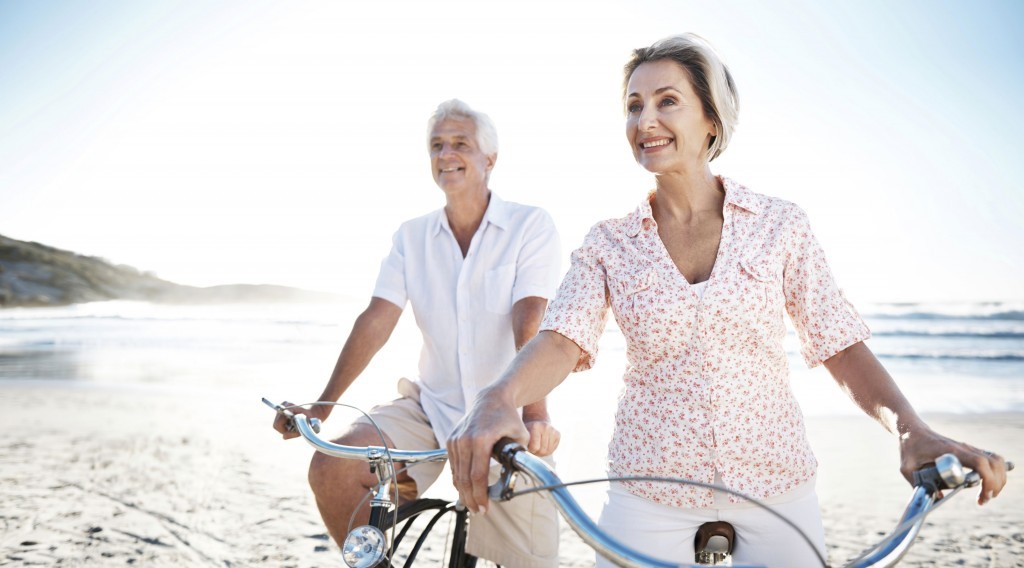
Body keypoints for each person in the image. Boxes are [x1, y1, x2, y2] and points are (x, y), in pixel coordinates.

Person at [446, 34, 1009, 567]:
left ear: (711, 119)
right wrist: (500, 397)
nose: (646, 121)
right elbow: (562, 339)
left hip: (776, 483)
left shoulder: (779, 224)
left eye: (668, 101)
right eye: (634, 105)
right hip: (649, 486)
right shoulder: (609, 242)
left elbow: (838, 343)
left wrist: (911, 430)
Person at [273, 99, 562, 567]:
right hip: (431, 407)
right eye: (437, 145)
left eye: (460, 144)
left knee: (532, 558)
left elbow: (531, 317)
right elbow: (376, 319)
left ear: (490, 159)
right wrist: (323, 405)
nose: (446, 154)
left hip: (504, 413)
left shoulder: (530, 225)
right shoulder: (411, 237)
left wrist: (535, 414)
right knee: (333, 468)